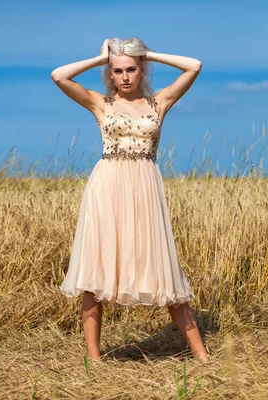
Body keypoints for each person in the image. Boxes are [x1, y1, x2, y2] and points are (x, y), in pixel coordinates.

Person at [51, 37, 209, 363]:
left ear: (141, 70)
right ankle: (94, 360)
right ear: (111, 74)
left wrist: (147, 52)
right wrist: (100, 59)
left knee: (163, 270)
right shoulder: (100, 103)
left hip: (145, 190)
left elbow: (194, 65)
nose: (124, 76)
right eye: (118, 70)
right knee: (95, 274)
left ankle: (202, 357)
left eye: (131, 69)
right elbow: (59, 76)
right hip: (107, 187)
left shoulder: (158, 103)